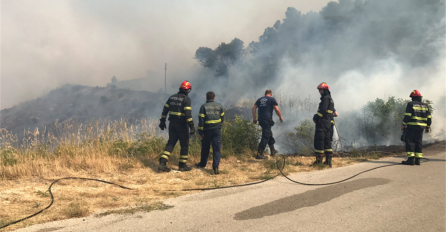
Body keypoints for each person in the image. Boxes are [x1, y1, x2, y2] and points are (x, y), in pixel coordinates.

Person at [158, 80, 195, 172]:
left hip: (172, 125)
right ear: (188, 90)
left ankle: (162, 163)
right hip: (182, 125)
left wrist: (162, 121)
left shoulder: (172, 97)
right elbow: (188, 115)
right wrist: (192, 126)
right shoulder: (186, 99)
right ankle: (182, 165)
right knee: (184, 145)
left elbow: (165, 110)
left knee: (171, 143)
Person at [195, 91, 224, 174]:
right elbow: (222, 118)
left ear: (206, 98)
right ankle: (215, 168)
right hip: (216, 131)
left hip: (207, 131)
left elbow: (201, 120)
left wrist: (200, 131)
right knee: (217, 149)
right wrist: (219, 126)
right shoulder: (219, 106)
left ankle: (202, 164)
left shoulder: (203, 106)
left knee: (205, 148)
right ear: (214, 98)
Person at [401, 90, 432, 165]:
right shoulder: (425, 105)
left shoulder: (411, 104)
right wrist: (428, 127)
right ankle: (418, 160)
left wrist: (403, 124)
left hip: (412, 126)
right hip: (421, 128)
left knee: (410, 142)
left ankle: (411, 160)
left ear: (413, 98)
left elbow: (407, 116)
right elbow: (429, 117)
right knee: (418, 142)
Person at [252, 89, 283, 160]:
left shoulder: (259, 99)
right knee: (266, 136)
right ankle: (259, 154)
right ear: (271, 94)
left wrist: (254, 118)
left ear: (265, 94)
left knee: (268, 133)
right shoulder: (272, 99)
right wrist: (280, 117)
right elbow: (276, 109)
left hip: (261, 120)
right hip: (267, 120)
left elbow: (254, 108)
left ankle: (273, 151)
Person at [313, 82, 335, 167]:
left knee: (319, 141)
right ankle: (328, 161)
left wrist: (315, 117)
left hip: (322, 123)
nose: (320, 92)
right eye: (320, 90)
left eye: (321, 90)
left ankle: (319, 161)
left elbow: (322, 111)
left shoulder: (325, 99)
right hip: (328, 124)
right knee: (327, 142)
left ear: (326, 90)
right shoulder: (330, 99)